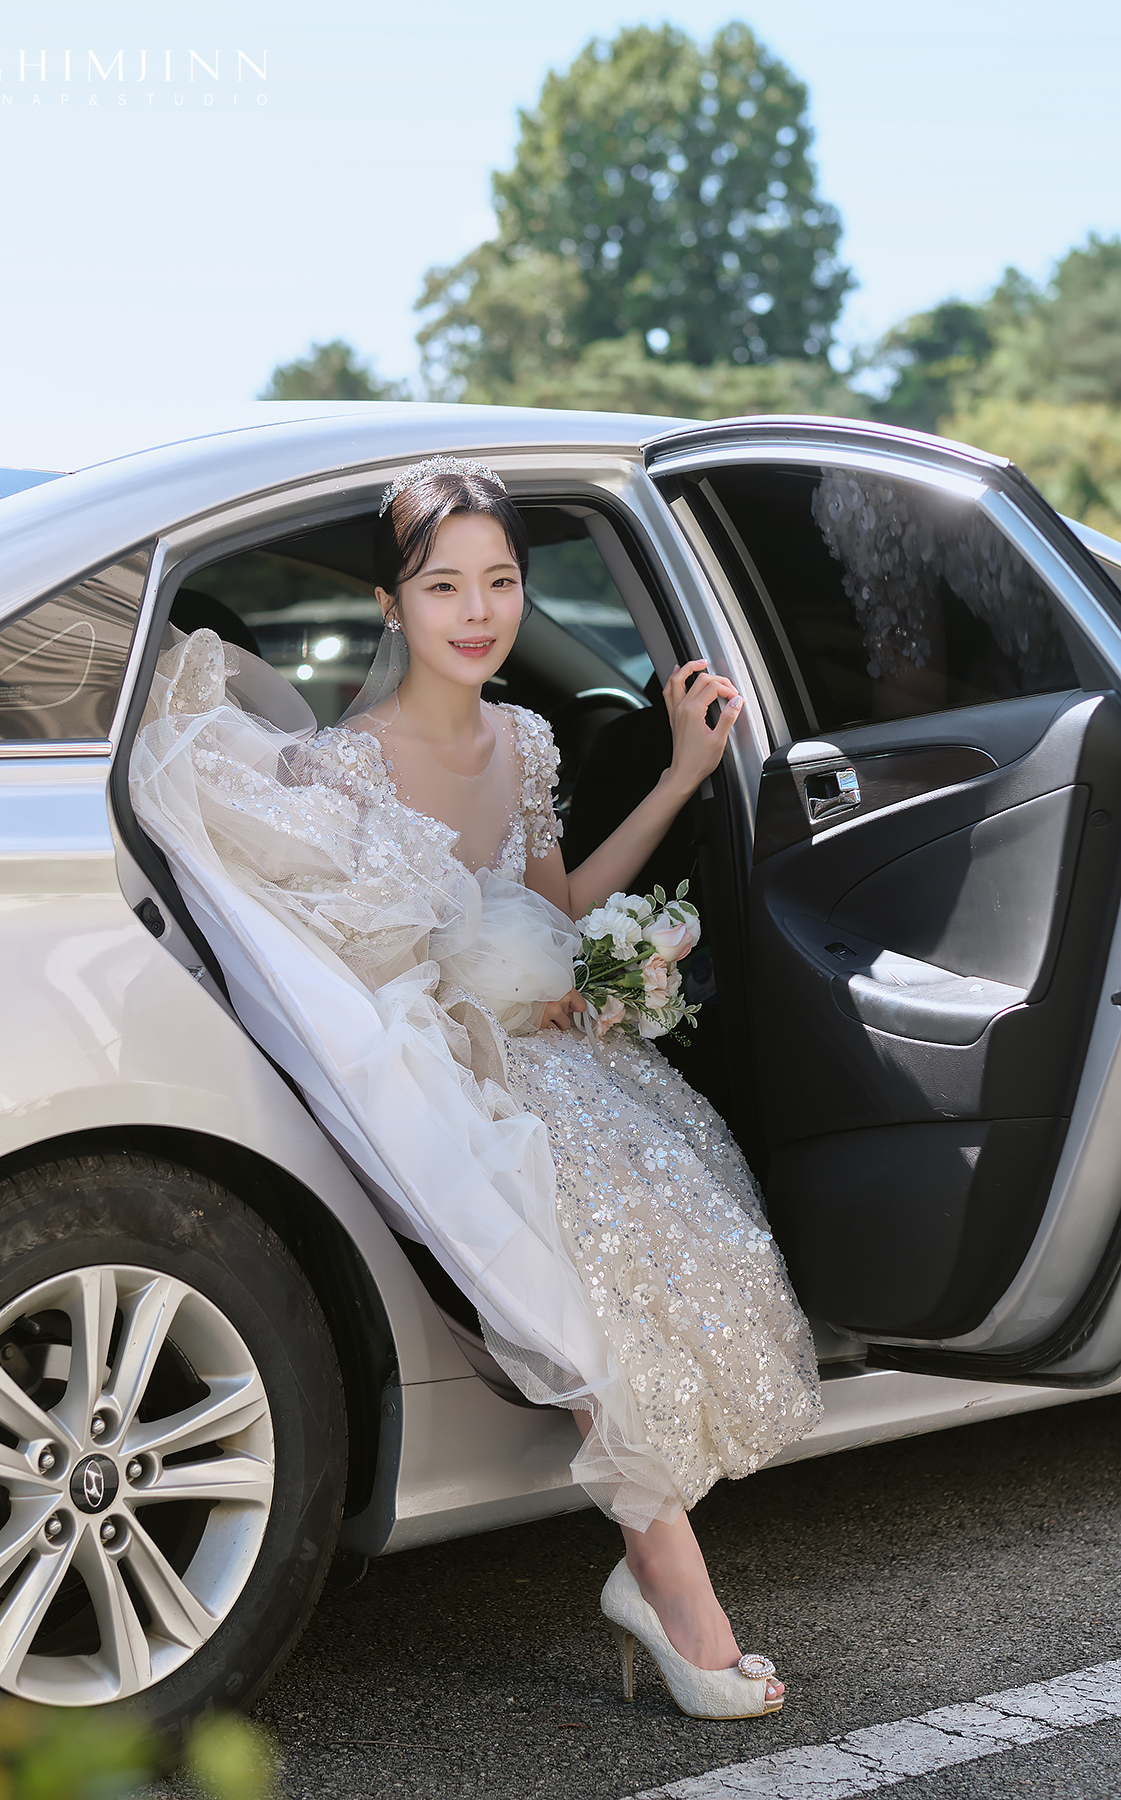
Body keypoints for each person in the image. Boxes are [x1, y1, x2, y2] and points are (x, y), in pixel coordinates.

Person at [131, 457, 822, 1720]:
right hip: (445, 1063)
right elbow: (352, 967)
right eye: (443, 586)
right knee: (576, 1265)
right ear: (390, 606)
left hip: (560, 1052)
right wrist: (489, 1008)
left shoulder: (530, 738)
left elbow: (550, 905)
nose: (478, 612)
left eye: (500, 582)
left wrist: (678, 777)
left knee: (675, 1232)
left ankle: (658, 1574)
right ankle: (678, 1599)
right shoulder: (342, 765)